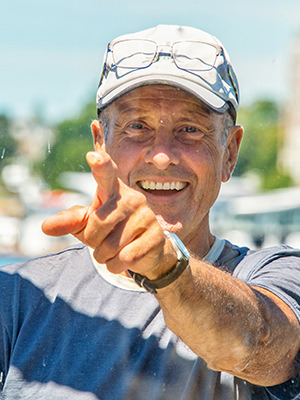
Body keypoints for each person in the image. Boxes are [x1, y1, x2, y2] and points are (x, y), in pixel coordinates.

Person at [1, 24, 300, 400]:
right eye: (137, 127)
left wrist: (167, 267)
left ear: (230, 153)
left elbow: (261, 345)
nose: (161, 156)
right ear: (100, 143)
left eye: (190, 129)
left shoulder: (279, 276)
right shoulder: (15, 298)